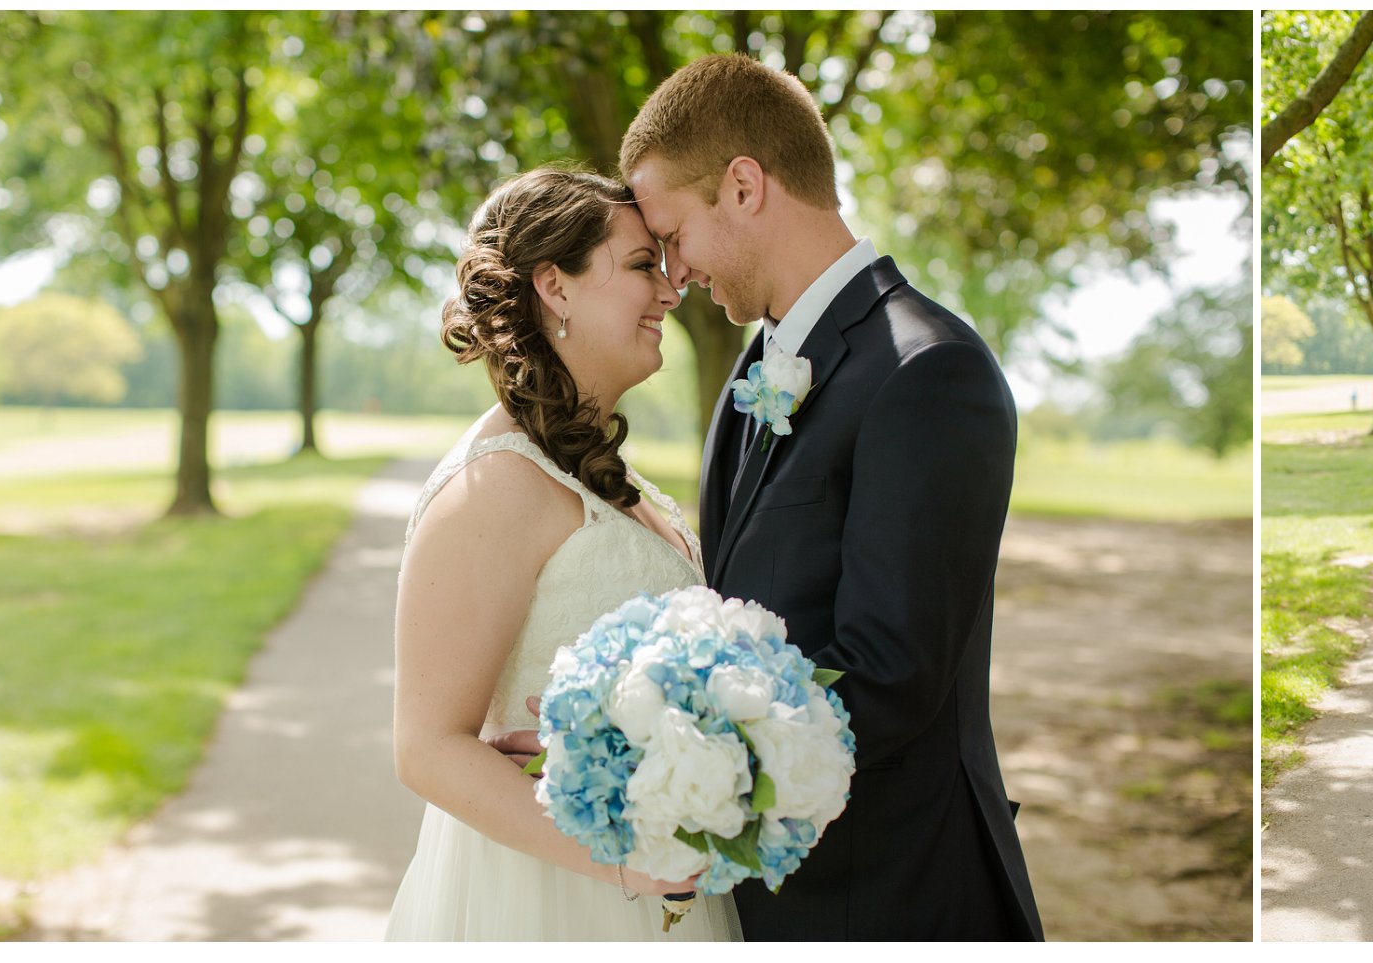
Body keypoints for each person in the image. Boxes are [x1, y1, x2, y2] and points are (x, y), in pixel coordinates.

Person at [500, 53, 1044, 939]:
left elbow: (890, 677)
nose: (673, 278)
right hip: (771, 901)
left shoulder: (929, 371)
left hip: (896, 897)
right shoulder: (755, 370)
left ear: (745, 187)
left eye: (673, 235)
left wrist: (645, 762)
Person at [383, 168, 737, 940]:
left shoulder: (604, 472)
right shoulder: (496, 483)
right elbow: (427, 746)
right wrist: (628, 858)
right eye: (644, 264)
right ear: (557, 285)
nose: (672, 290)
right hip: (552, 900)